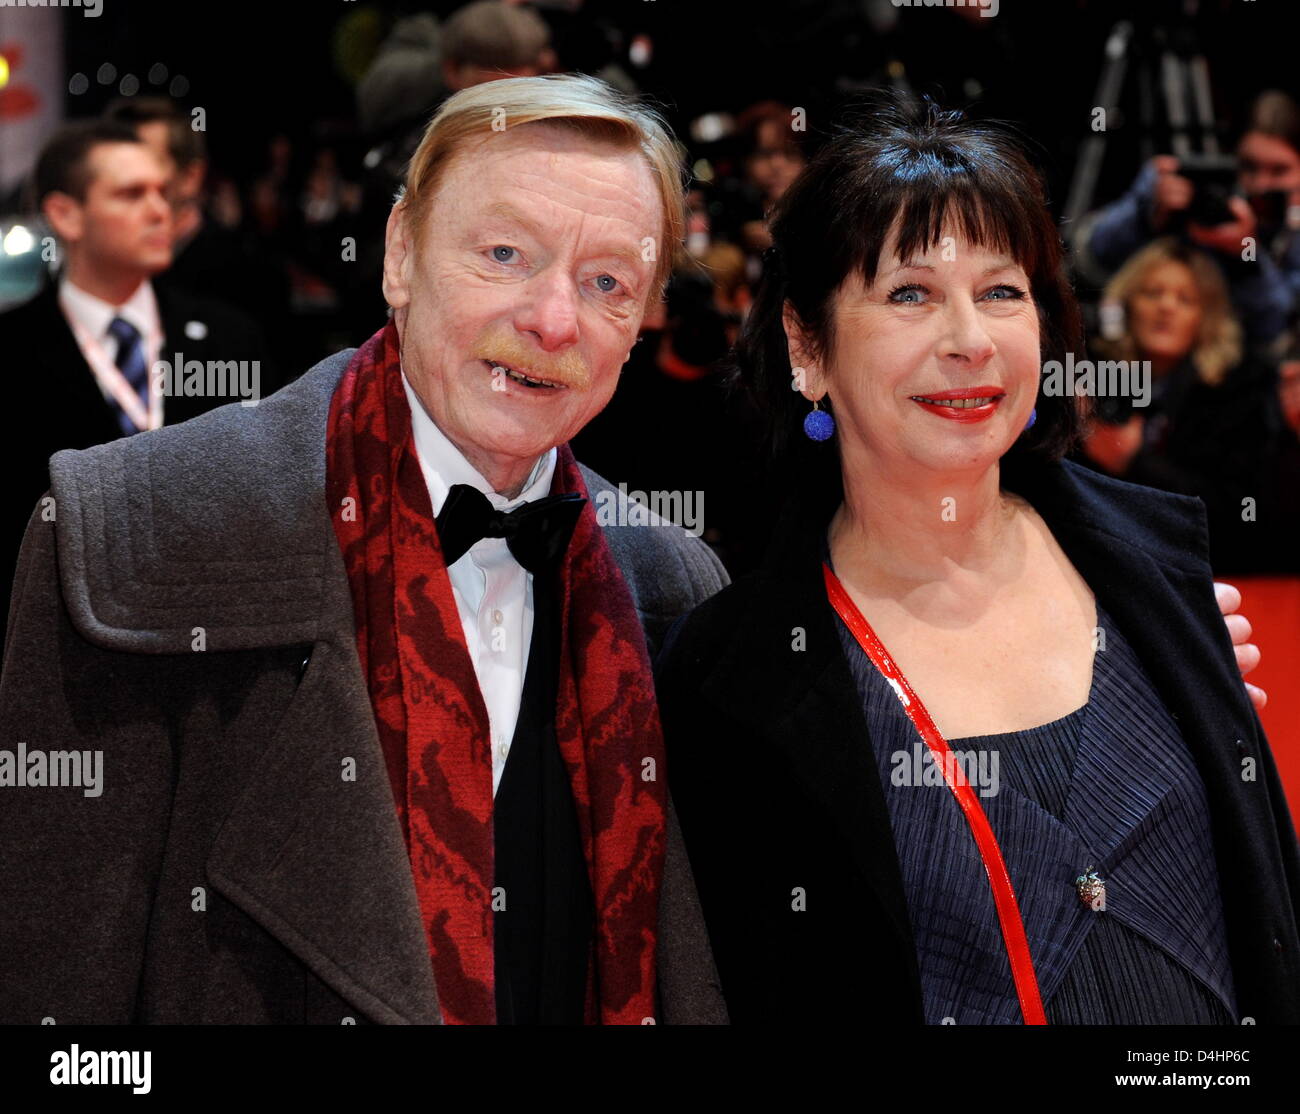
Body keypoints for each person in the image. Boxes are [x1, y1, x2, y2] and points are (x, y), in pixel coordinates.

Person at [0, 74, 727, 1026]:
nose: (554, 320)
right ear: (400, 253)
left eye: (607, 284)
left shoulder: (674, 590)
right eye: (506, 254)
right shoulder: (134, 535)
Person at [655, 94, 1298, 1025]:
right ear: (807, 343)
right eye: (909, 294)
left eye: (1002, 290)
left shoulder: (1162, 586)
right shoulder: (732, 679)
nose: (969, 340)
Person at [0, 119, 272, 639]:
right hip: (54, 646)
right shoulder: (12, 354)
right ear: (65, 214)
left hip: (215, 643)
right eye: (130, 194)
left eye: (162, 193)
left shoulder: (230, 338)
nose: (159, 211)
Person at [1077, 238, 1297, 575]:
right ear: (1124, 306)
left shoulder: (1238, 390)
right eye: (1152, 293)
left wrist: (1135, 461)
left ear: (1206, 317)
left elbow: (1239, 514)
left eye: (1186, 299)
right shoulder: (1089, 378)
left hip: (1214, 573)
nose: (1166, 307)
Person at [1077, 90, 1300, 350]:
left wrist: (1246, 257)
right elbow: (1088, 257)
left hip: (1228, 370)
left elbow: (1277, 326)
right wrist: (1148, 216)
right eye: (1249, 166)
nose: (1260, 184)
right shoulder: (1185, 180)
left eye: (1279, 171)